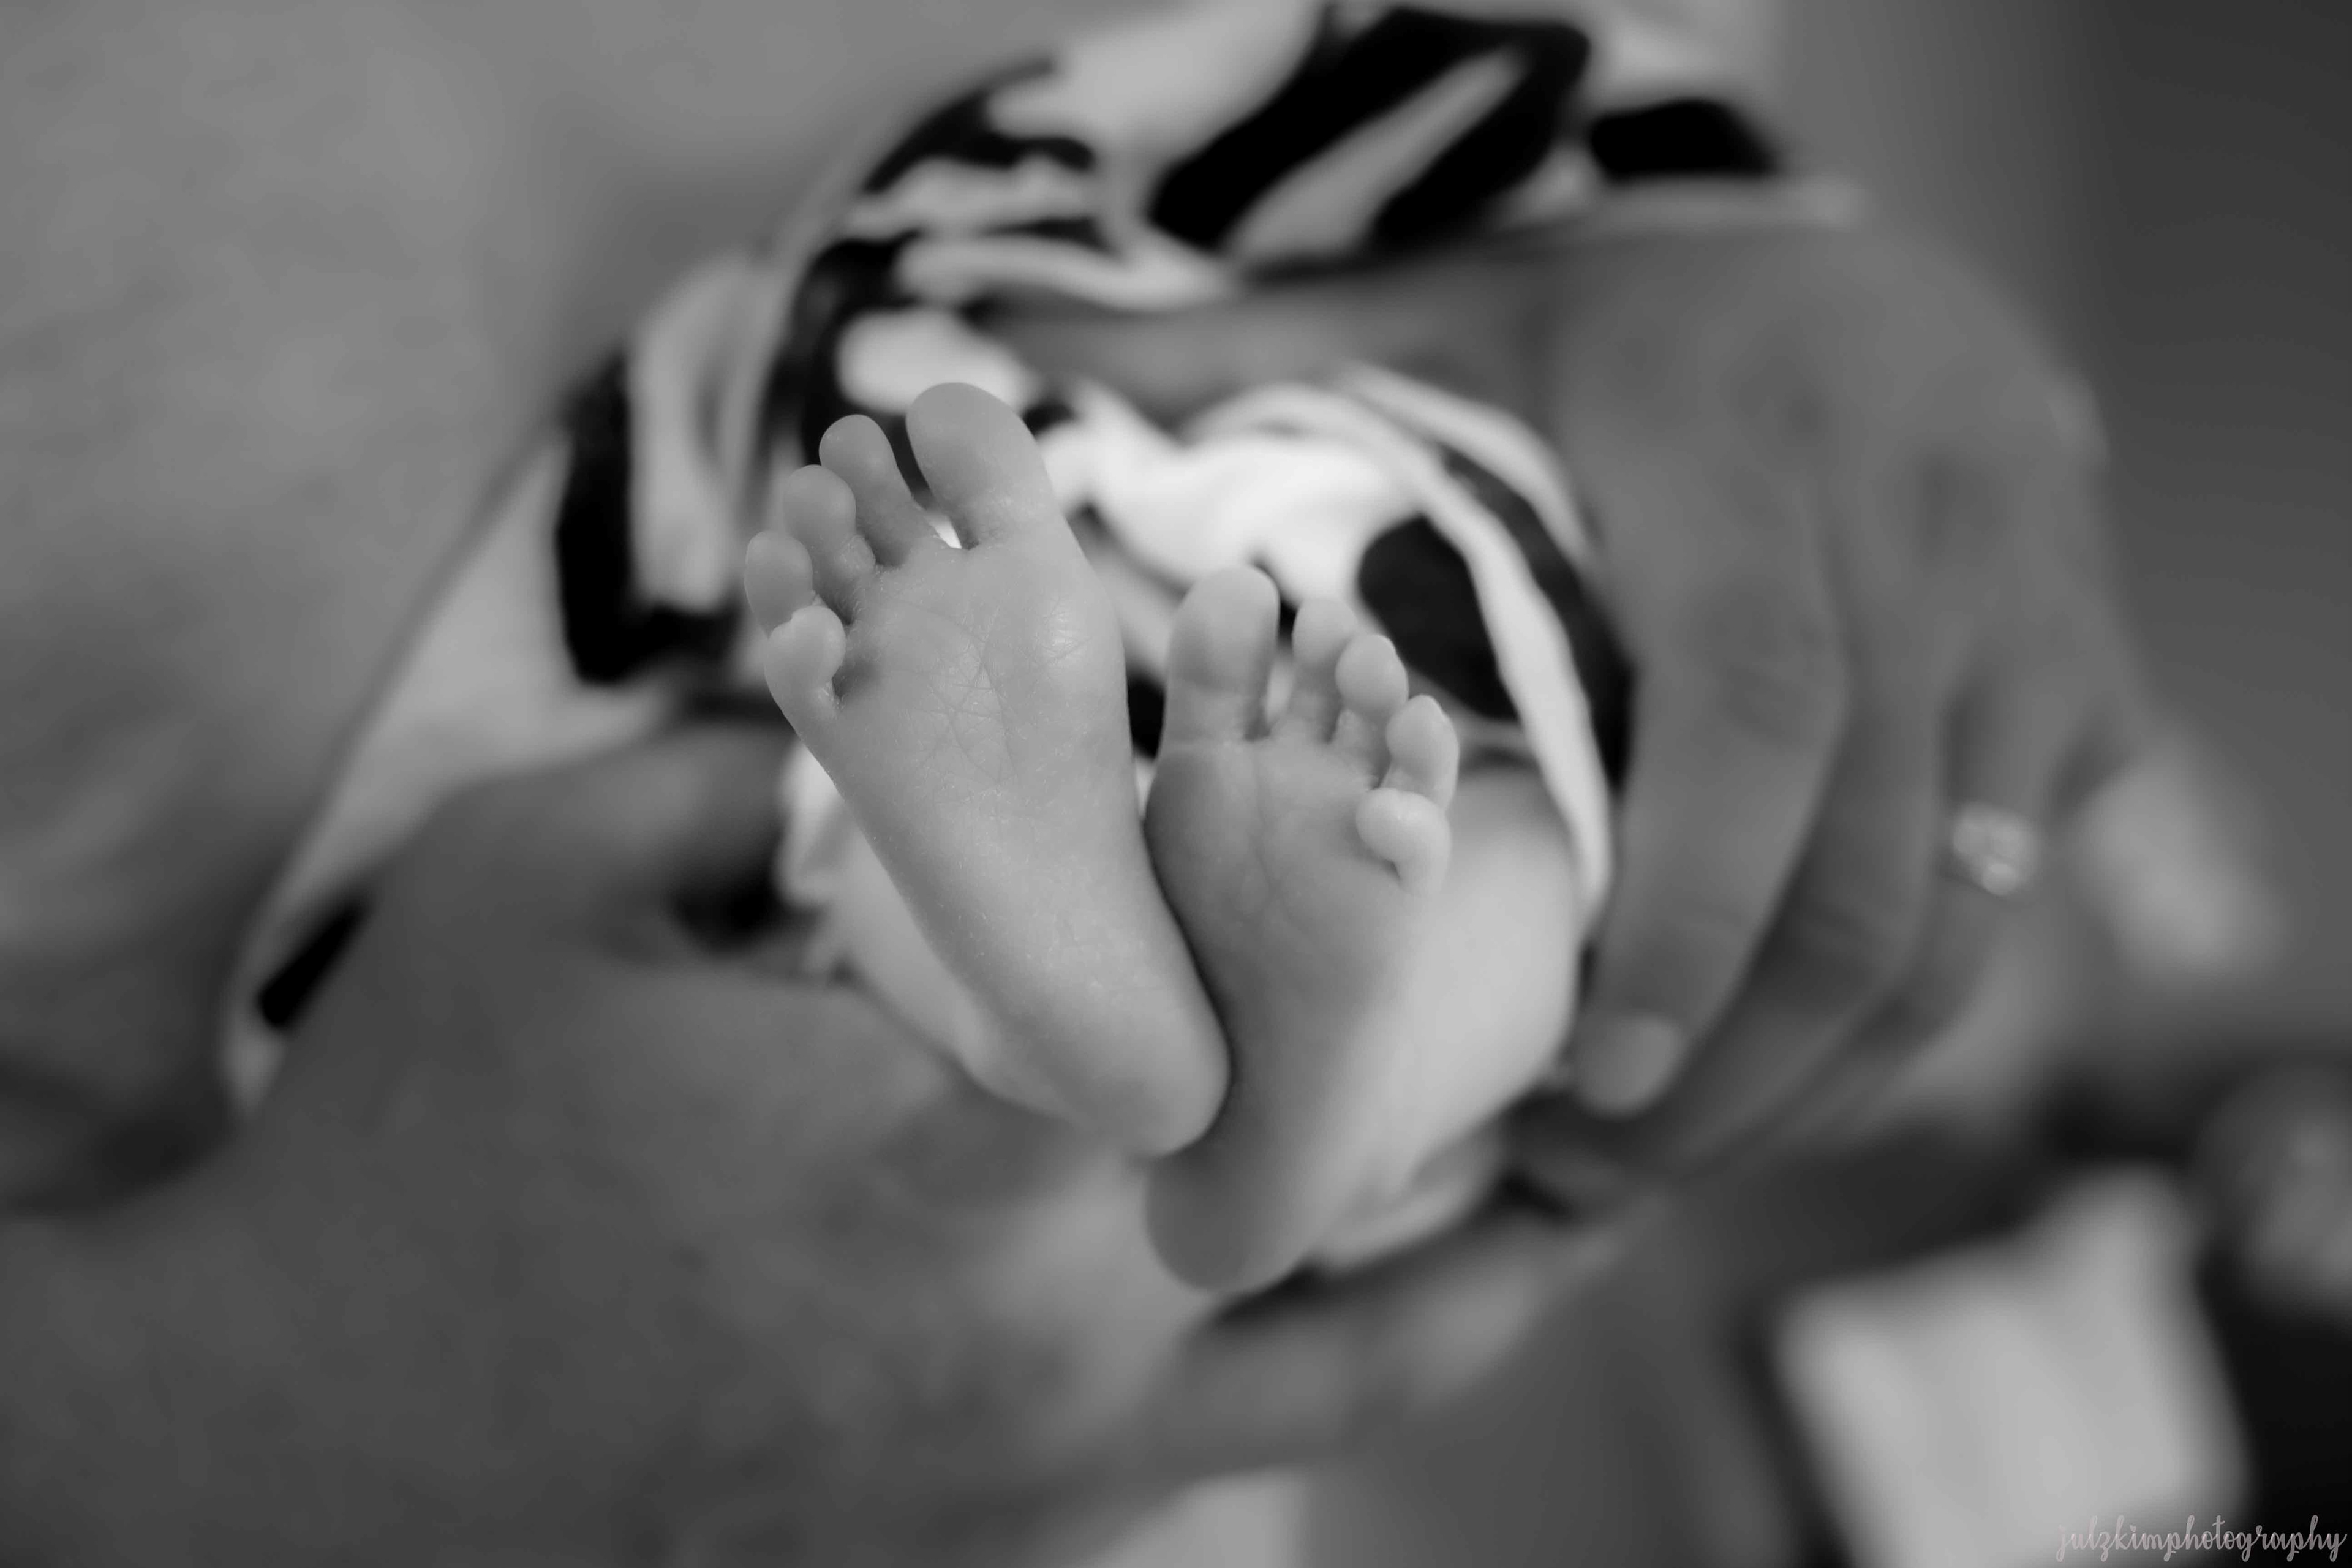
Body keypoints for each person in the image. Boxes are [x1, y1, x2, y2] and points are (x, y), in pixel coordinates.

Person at [0, 0, 2148, 1559]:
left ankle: (1136, 1036)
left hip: (1106, 567)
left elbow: (1571, 96)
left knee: (930, 860)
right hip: (603, 1124)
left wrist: (1760, 280)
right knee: (1489, 829)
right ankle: (1275, 1093)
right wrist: (205, 1419)